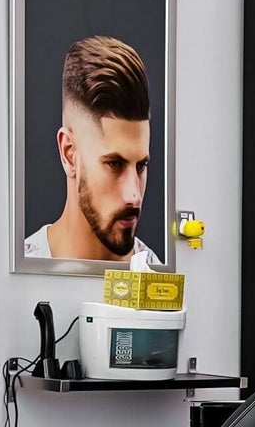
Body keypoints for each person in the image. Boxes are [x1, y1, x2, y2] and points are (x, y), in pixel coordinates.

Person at [24, 34, 161, 267]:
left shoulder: (159, 282)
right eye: (114, 164)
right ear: (69, 153)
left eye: (141, 166)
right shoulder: (14, 277)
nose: (134, 196)